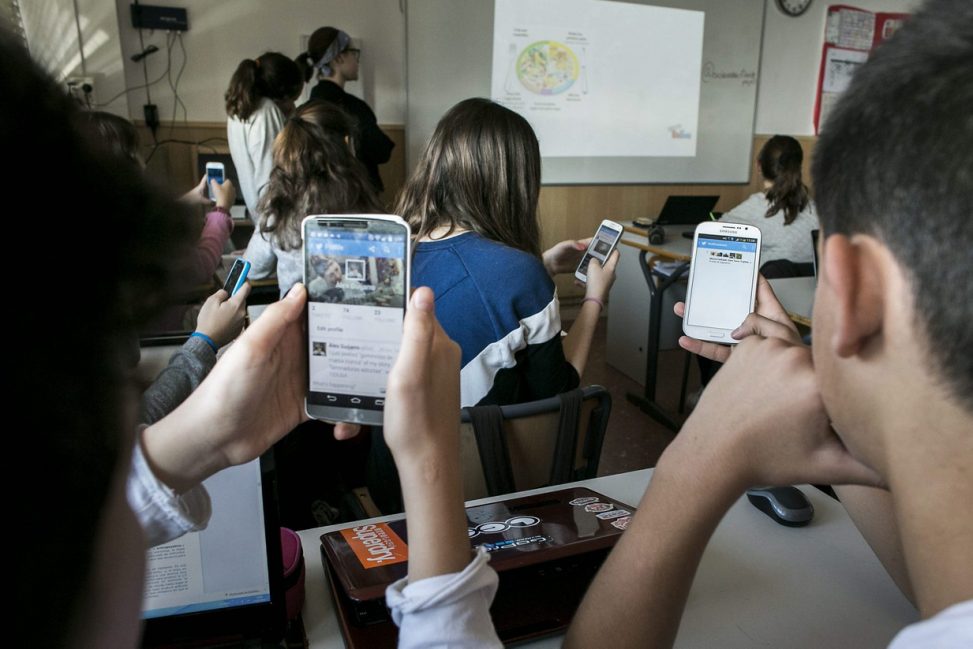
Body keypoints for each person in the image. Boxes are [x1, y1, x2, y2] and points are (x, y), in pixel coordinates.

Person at [564, 1, 973, 646]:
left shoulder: (751, 208)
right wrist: (835, 417)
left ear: (854, 288)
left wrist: (693, 466)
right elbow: (944, 590)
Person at [395, 97, 618, 407]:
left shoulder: (397, 249)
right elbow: (556, 393)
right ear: (516, 184)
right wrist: (594, 297)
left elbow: (470, 285)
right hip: (473, 440)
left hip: (392, 435)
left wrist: (545, 265)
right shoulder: (520, 273)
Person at [244, 99, 383, 297]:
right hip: (357, 313)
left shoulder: (280, 210)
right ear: (346, 143)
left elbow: (254, 268)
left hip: (294, 315)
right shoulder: (364, 205)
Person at [298, 26, 394, 192]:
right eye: (353, 52)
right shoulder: (354, 108)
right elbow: (381, 152)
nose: (357, 60)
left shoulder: (303, 111)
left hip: (316, 198)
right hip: (355, 198)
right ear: (339, 58)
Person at [225, 52, 303, 222]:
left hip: (262, 221)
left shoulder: (239, 111)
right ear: (281, 95)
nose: (293, 106)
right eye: (292, 99)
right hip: (275, 222)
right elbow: (271, 183)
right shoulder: (267, 112)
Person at [722, 135, 819, 268]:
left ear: (759, 166)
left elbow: (708, 240)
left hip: (767, 280)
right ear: (798, 168)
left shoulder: (753, 209)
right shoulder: (817, 211)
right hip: (808, 282)